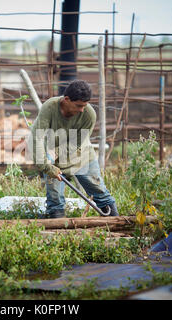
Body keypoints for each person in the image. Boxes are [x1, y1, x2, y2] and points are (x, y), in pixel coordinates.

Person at [29, 79, 118, 219]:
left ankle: (115, 224)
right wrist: (46, 165)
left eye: (85, 105)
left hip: (81, 155)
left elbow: (75, 144)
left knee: (100, 193)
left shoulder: (89, 114)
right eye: (78, 105)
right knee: (55, 201)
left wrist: (54, 154)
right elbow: (36, 137)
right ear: (66, 99)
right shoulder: (50, 108)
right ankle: (58, 232)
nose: (82, 109)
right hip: (54, 160)